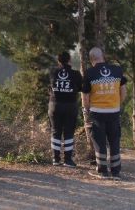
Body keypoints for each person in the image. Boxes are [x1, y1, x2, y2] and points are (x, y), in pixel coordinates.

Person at [81, 47, 127, 179]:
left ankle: (102, 171)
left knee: (99, 142)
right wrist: (117, 104)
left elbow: (85, 97)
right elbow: (123, 91)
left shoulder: (89, 73)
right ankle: (116, 171)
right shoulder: (117, 70)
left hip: (97, 113)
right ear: (103, 56)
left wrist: (87, 110)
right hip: (114, 112)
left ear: (91, 60)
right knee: (114, 141)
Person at [48, 51, 82, 167]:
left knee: (55, 131)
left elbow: (50, 86)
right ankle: (68, 160)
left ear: (58, 61)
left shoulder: (52, 72)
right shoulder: (76, 74)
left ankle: (55, 159)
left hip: (54, 105)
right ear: (70, 60)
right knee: (69, 132)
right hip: (70, 106)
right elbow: (82, 87)